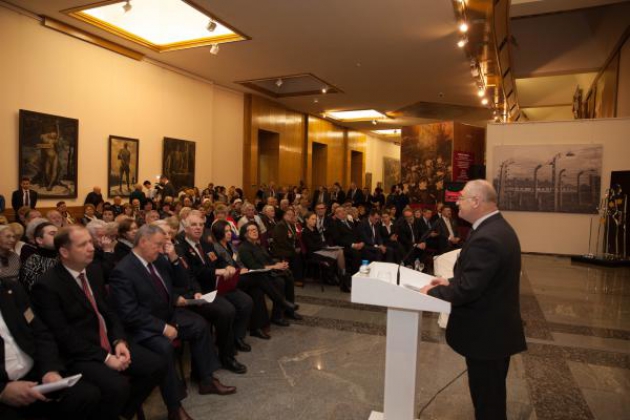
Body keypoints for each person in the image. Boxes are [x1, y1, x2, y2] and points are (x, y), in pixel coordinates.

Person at [31, 226, 166, 420]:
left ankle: (122, 412)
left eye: (90, 242)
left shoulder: (93, 270)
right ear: (64, 252)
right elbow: (63, 335)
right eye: (83, 244)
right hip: (80, 353)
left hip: (108, 341)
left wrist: (119, 341)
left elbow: (109, 311)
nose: (91, 248)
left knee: (156, 365)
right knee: (117, 386)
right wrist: (106, 358)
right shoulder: (47, 285)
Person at [420, 180, 527, 420]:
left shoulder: (488, 237)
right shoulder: (493, 228)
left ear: (476, 201)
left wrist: (429, 293)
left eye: (461, 198)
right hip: (493, 332)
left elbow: (468, 289)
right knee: (488, 396)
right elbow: (480, 276)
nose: (456, 203)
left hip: (487, 336)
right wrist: (448, 281)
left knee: (488, 403)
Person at [109, 224, 236, 420]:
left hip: (168, 314)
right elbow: (129, 313)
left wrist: (174, 258)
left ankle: (206, 380)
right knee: (164, 348)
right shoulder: (123, 271)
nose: (162, 248)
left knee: (199, 325)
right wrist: (162, 328)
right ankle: (174, 408)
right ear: (143, 242)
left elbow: (182, 282)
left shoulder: (158, 259)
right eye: (158, 244)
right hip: (143, 325)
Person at [0, 279, 100, 420]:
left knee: (87, 395)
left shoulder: (12, 289)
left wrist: (50, 370)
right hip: (4, 388)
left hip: (35, 375)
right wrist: (2, 391)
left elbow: (40, 332)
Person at [174, 212, 250, 374]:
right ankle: (226, 355)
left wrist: (227, 266)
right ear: (185, 228)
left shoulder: (205, 243)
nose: (198, 228)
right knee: (227, 311)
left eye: (201, 224)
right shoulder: (181, 247)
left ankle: (233, 341)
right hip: (198, 291)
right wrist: (217, 271)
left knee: (244, 301)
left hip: (214, 287)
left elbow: (217, 260)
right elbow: (192, 273)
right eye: (194, 225)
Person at [238, 222, 301, 328]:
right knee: (280, 282)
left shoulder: (258, 245)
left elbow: (268, 259)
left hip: (267, 272)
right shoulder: (244, 248)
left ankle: (289, 310)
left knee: (288, 276)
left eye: (255, 229)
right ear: (245, 234)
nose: (254, 231)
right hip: (257, 275)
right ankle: (277, 316)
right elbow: (254, 266)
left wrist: (279, 264)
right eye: (251, 230)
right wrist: (274, 267)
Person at [301, 212, 351, 292]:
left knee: (340, 251)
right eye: (312, 219)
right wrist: (325, 247)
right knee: (339, 252)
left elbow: (320, 241)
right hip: (313, 253)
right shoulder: (305, 232)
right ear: (307, 220)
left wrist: (327, 246)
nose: (315, 221)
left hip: (320, 250)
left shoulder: (315, 229)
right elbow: (311, 246)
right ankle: (343, 278)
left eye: (315, 219)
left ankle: (342, 277)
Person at [19, 222, 58, 292]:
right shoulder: (33, 262)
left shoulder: (64, 257)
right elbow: (38, 290)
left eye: (58, 234)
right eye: (52, 234)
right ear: (39, 240)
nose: (58, 236)